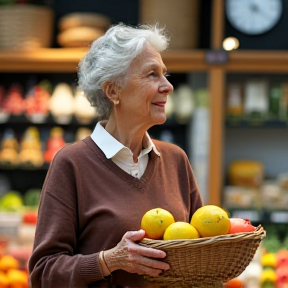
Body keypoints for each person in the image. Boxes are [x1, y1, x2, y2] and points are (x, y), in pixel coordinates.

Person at [28, 23, 203, 288]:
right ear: (113, 91)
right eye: (152, 75)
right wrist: (109, 261)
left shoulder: (176, 159)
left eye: (165, 74)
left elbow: (201, 250)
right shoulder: (71, 164)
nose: (167, 86)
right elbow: (44, 274)